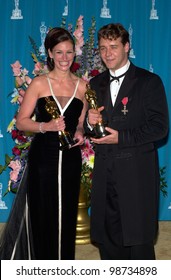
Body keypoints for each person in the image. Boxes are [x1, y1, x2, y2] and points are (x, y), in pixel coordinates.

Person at [0, 27, 88, 260]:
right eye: (59, 52)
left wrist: (80, 131)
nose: (64, 58)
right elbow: (21, 122)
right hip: (43, 160)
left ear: (74, 53)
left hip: (70, 159)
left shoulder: (82, 86)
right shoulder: (39, 84)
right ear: (49, 53)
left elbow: (81, 123)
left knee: (66, 215)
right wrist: (44, 126)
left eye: (69, 52)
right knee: (43, 214)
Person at [85, 23, 169, 260]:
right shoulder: (94, 84)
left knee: (138, 242)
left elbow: (160, 128)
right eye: (102, 48)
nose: (107, 54)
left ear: (127, 47)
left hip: (136, 173)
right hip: (104, 171)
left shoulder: (149, 81)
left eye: (113, 47)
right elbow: (91, 129)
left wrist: (121, 138)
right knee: (108, 241)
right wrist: (90, 123)